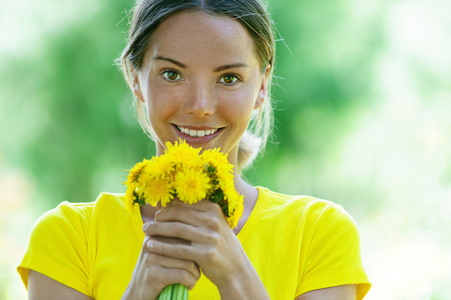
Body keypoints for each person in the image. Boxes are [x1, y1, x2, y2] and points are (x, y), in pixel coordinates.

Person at [18, 0, 371, 299]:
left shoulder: (319, 233)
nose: (200, 106)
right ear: (133, 76)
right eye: (172, 74)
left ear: (261, 85)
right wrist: (138, 291)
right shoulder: (68, 237)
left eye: (229, 78)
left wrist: (235, 275)